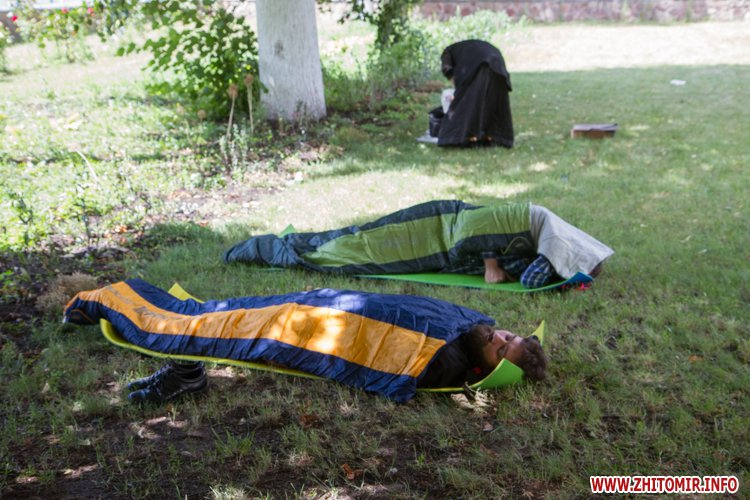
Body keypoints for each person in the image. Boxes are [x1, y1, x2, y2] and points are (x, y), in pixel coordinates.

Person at [63, 279, 547, 403]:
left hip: (303, 325)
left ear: (483, 369)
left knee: (201, 327)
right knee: (213, 318)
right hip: (323, 304)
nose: (499, 335)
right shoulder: (470, 326)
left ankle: (108, 299)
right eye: (508, 335)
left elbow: (384, 357)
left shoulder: (444, 360)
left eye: (501, 347)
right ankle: (186, 371)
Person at [223, 200, 614, 289]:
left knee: (354, 243)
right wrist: (494, 266)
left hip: (443, 230)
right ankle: (266, 249)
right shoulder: (542, 232)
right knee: (347, 249)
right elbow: (530, 279)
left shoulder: (537, 221)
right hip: (435, 234)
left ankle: (276, 248)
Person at [434, 39, 514, 147]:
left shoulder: (448, 52)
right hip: (497, 63)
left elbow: (448, 70)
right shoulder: (463, 49)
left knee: (468, 103)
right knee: (493, 100)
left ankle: (455, 139)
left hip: (480, 62)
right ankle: (498, 137)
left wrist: (457, 90)